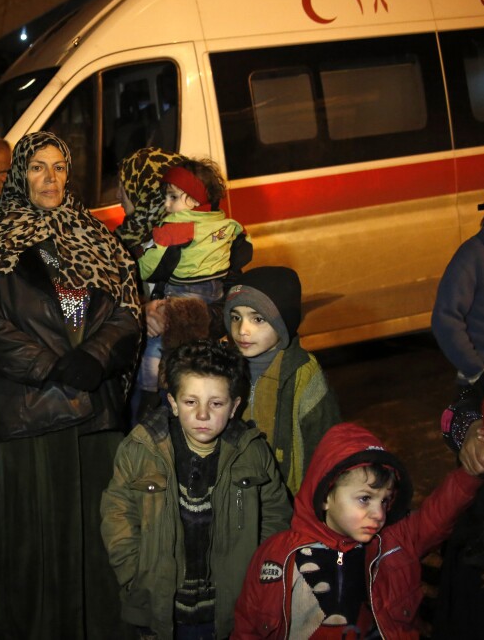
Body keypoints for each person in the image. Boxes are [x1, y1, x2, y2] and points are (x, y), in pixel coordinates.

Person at [0, 131, 142, 639]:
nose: (50, 178)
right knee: (35, 542)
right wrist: (49, 365)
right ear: (21, 173)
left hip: (94, 411)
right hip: (30, 413)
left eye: (59, 167)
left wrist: (95, 355)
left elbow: (127, 311)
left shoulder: (96, 237)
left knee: (95, 536)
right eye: (38, 167)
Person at [100, 340, 291, 639]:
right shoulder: (141, 449)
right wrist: (134, 574)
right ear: (173, 403)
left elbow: (275, 514)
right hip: (162, 606)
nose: (203, 415)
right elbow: (117, 513)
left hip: (232, 606)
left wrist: (260, 573)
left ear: (234, 407)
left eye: (216, 403)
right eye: (191, 402)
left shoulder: (252, 452)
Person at [233, 422, 484, 638]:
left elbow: (437, 516)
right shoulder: (278, 554)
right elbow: (247, 626)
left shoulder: (394, 543)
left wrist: (469, 473)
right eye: (365, 499)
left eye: (385, 500)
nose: (378, 514)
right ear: (326, 496)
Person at [135, 158, 252, 401]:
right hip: (214, 291)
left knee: (157, 344)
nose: (166, 205)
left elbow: (150, 266)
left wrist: (135, 269)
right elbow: (242, 240)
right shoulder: (224, 223)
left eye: (173, 197)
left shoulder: (176, 227)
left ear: (195, 200)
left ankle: (147, 392)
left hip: (186, 292)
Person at [430, 193, 484, 638]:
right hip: (480, 387)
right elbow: (445, 318)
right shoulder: (473, 255)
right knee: (472, 497)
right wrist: (476, 369)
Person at [223, 266, 340, 494]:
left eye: (258, 319)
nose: (242, 330)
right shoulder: (221, 367)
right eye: (236, 317)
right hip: (235, 494)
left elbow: (325, 442)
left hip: (289, 498)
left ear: (282, 324)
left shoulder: (302, 373)